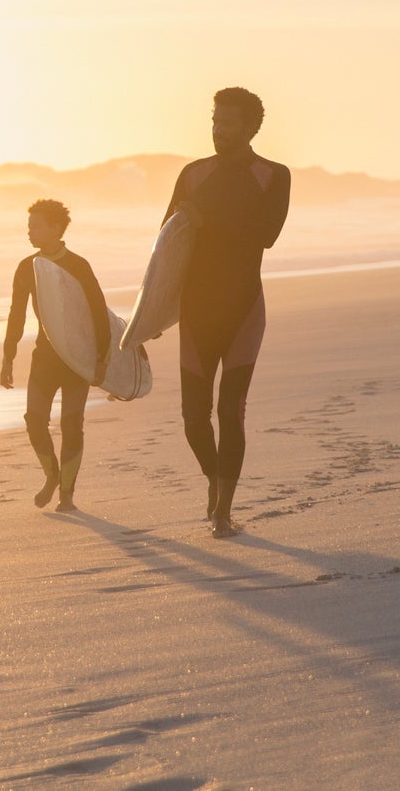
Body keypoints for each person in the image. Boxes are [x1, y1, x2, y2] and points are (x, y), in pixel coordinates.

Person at [164, 87, 291, 538]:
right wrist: (152, 314)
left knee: (230, 410)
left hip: (242, 309)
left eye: (228, 123)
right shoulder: (193, 174)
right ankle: (216, 488)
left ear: (250, 127)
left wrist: (206, 221)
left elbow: (266, 234)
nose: (219, 130)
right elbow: (168, 245)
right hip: (196, 311)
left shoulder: (273, 175)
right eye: (215, 121)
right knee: (193, 418)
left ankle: (223, 511)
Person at [1, 198, 110, 512]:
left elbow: (99, 314)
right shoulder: (27, 268)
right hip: (45, 359)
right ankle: (52, 476)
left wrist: (102, 358)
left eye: (35, 226)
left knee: (72, 425)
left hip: (77, 360)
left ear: (55, 228)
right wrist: (8, 357)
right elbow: (16, 315)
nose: (29, 232)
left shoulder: (78, 266)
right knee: (35, 422)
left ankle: (67, 494)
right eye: (29, 226)